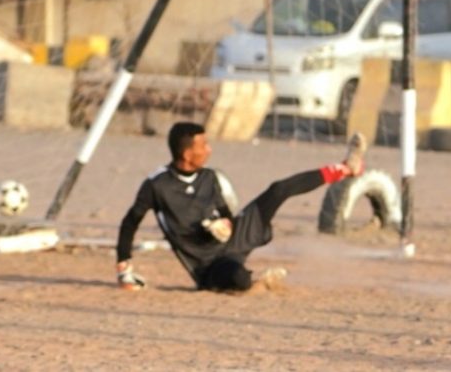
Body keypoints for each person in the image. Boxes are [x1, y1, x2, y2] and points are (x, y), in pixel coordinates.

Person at [115, 121, 367, 292]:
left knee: (278, 190)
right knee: (238, 277)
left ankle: (345, 168)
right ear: (187, 154)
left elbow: (226, 213)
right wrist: (124, 268)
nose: (209, 150)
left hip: (232, 240)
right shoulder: (157, 185)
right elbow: (130, 221)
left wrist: (225, 224)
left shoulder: (210, 177)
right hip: (207, 265)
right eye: (203, 145)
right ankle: (257, 283)